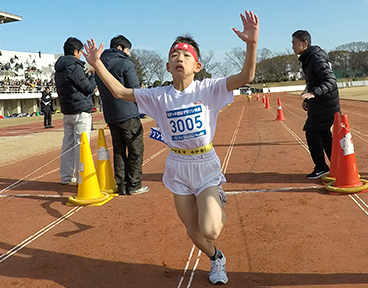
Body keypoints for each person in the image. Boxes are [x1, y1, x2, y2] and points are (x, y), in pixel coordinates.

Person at [82, 10, 258, 285]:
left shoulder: (208, 89)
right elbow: (120, 92)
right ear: (167, 65)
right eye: (175, 54)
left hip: (205, 165)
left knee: (210, 228)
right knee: (194, 233)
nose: (180, 58)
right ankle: (217, 259)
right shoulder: (158, 95)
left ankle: (216, 200)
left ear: (197, 66)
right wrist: (97, 64)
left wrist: (251, 43)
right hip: (178, 167)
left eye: (186, 55)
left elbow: (246, 75)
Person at [96, 35, 149, 195]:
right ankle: (134, 185)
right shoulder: (125, 63)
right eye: (128, 50)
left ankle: (121, 184)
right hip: (128, 113)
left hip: (110, 114)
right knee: (135, 149)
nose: (129, 53)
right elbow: (134, 89)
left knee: (119, 150)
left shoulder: (99, 64)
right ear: (120, 48)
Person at [292, 30, 341, 179]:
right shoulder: (308, 58)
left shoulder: (316, 58)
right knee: (324, 134)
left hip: (326, 105)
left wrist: (315, 93)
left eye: (294, 43)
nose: (292, 46)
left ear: (304, 43)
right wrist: (309, 99)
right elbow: (314, 82)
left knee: (312, 132)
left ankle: (321, 167)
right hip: (321, 104)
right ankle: (336, 165)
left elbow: (331, 81)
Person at [54, 37, 97, 185]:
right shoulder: (74, 66)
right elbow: (88, 88)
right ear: (76, 52)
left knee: (67, 144)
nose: (81, 55)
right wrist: (91, 76)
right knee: (81, 145)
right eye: (80, 52)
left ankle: (66, 177)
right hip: (80, 110)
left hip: (67, 110)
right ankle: (82, 178)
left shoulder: (59, 68)